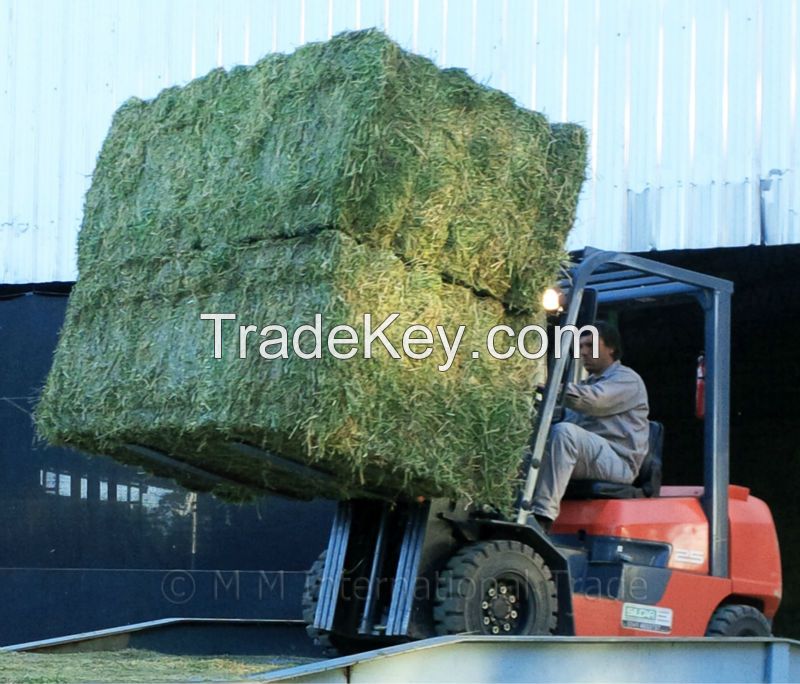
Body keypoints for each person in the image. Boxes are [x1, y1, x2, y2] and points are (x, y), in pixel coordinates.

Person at [531, 321, 649, 532]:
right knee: (535, 441)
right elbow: (563, 416)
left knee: (565, 433)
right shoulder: (586, 384)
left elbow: (594, 402)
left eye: (590, 345)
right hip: (591, 457)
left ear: (611, 347)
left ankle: (542, 517)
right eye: (581, 346)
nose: (583, 352)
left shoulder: (627, 380)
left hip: (618, 461)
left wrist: (551, 387)